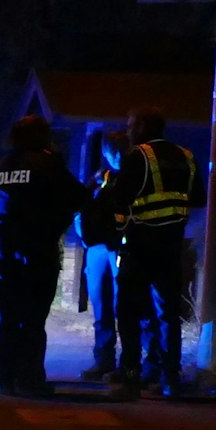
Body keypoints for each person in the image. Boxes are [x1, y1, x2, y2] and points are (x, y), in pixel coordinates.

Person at [0, 115, 87, 397]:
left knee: (5, 316)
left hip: (3, 252)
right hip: (37, 252)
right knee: (33, 319)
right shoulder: (48, 164)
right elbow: (79, 198)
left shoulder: (0, 166)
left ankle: (4, 379)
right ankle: (29, 380)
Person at [110, 106, 206, 399]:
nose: (127, 131)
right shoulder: (186, 157)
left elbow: (119, 201)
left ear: (142, 127)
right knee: (168, 315)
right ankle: (170, 379)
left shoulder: (137, 156)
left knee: (128, 313)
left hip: (139, 246)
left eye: (130, 125)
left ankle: (130, 377)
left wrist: (116, 230)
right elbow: (199, 199)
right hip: (172, 247)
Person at [77, 131, 129, 380]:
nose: (117, 155)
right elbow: (82, 203)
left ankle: (129, 364)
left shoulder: (132, 177)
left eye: (120, 149)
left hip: (119, 247)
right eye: (113, 150)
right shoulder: (101, 178)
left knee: (125, 307)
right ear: (107, 152)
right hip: (97, 248)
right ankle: (104, 360)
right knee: (101, 307)